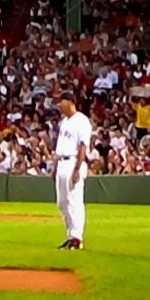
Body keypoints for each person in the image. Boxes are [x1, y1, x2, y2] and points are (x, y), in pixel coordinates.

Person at [53, 95, 93, 251]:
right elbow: (59, 148)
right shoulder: (64, 122)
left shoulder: (82, 121)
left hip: (73, 162)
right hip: (62, 163)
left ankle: (77, 238)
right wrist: (55, 167)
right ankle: (70, 236)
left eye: (61, 102)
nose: (59, 105)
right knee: (62, 203)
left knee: (74, 201)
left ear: (70, 102)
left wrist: (77, 168)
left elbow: (83, 146)